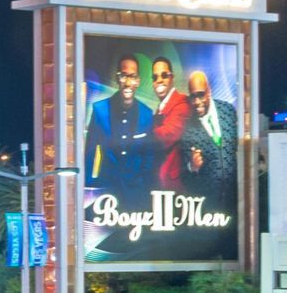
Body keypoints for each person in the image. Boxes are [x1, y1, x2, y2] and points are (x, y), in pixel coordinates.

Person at [84, 53, 152, 198]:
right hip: (104, 192)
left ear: (138, 81)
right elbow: (89, 155)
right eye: (124, 76)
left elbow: (149, 158)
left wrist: (146, 189)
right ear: (117, 78)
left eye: (133, 77)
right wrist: (88, 190)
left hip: (137, 195)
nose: (128, 83)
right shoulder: (99, 110)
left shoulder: (147, 114)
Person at [180, 70, 238, 213]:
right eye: (192, 97)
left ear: (209, 91)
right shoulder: (187, 130)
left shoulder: (228, 111)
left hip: (235, 201)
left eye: (200, 95)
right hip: (210, 207)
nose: (197, 102)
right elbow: (185, 176)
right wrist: (192, 166)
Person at [143, 56, 189, 191]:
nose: (159, 80)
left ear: (172, 77)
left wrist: (139, 130)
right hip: (160, 186)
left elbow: (167, 135)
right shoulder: (160, 108)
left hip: (174, 186)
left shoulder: (183, 102)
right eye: (155, 77)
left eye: (164, 75)